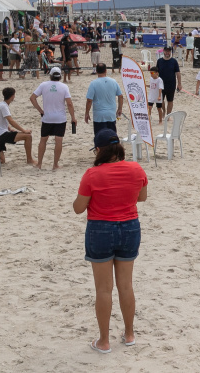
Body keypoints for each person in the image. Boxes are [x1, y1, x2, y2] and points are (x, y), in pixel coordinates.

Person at [72, 129, 148, 354]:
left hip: (101, 229)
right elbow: (141, 197)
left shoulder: (92, 174)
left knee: (103, 289)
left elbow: (78, 208)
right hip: (130, 227)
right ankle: (129, 334)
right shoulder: (136, 169)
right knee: (126, 285)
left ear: (98, 150)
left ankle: (104, 341)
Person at [31, 66, 76, 170]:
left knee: (43, 140)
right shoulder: (64, 87)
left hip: (47, 117)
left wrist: (40, 110)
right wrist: (73, 117)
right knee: (58, 141)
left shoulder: (43, 85)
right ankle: (55, 165)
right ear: (60, 76)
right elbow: (69, 103)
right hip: (60, 118)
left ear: (50, 75)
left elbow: (32, 98)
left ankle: (39, 164)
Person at [0, 87, 35, 168]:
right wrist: (24, 130)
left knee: (2, 160)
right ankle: (29, 160)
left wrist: (9, 128)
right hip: (0, 135)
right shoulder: (4, 106)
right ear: (12, 96)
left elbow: (0, 120)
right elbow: (11, 121)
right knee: (28, 136)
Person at [85, 63, 124, 140]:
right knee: (112, 137)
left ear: (96, 71)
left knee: (100, 137)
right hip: (111, 114)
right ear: (106, 70)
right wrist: (120, 109)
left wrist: (87, 113)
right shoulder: (113, 81)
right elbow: (120, 96)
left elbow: (89, 100)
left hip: (99, 116)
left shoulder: (93, 83)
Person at [156, 46, 182, 116]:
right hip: (161, 84)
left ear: (171, 52)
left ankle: (168, 114)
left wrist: (179, 84)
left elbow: (178, 73)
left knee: (170, 100)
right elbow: (156, 73)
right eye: (166, 51)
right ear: (163, 51)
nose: (167, 52)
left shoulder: (174, 61)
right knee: (160, 100)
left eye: (169, 51)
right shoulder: (159, 61)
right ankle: (164, 111)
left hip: (171, 84)